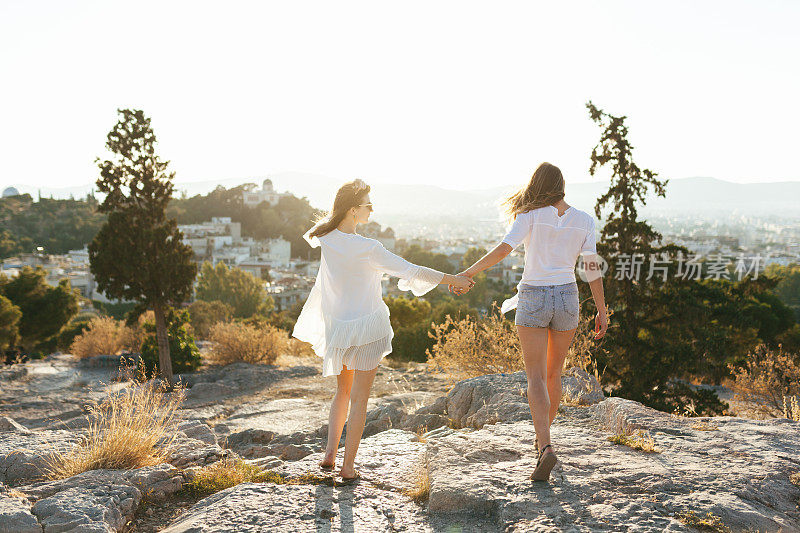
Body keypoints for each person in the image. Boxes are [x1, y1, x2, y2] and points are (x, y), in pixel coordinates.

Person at [292, 179, 474, 483]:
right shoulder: (368, 248)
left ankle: (329, 456)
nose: (372, 209)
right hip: (367, 328)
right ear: (352, 210)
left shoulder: (325, 236)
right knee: (360, 399)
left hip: (338, 327)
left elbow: (319, 230)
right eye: (367, 204)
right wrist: (453, 278)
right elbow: (412, 270)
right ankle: (348, 468)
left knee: (342, 392)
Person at [454, 162, 608, 482]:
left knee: (535, 377)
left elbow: (503, 249)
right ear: (562, 185)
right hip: (567, 296)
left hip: (534, 296)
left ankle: (545, 447)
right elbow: (592, 268)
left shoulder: (529, 215)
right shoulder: (584, 220)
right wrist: (602, 310)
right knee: (554, 373)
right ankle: (543, 440)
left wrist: (468, 273)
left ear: (537, 185)